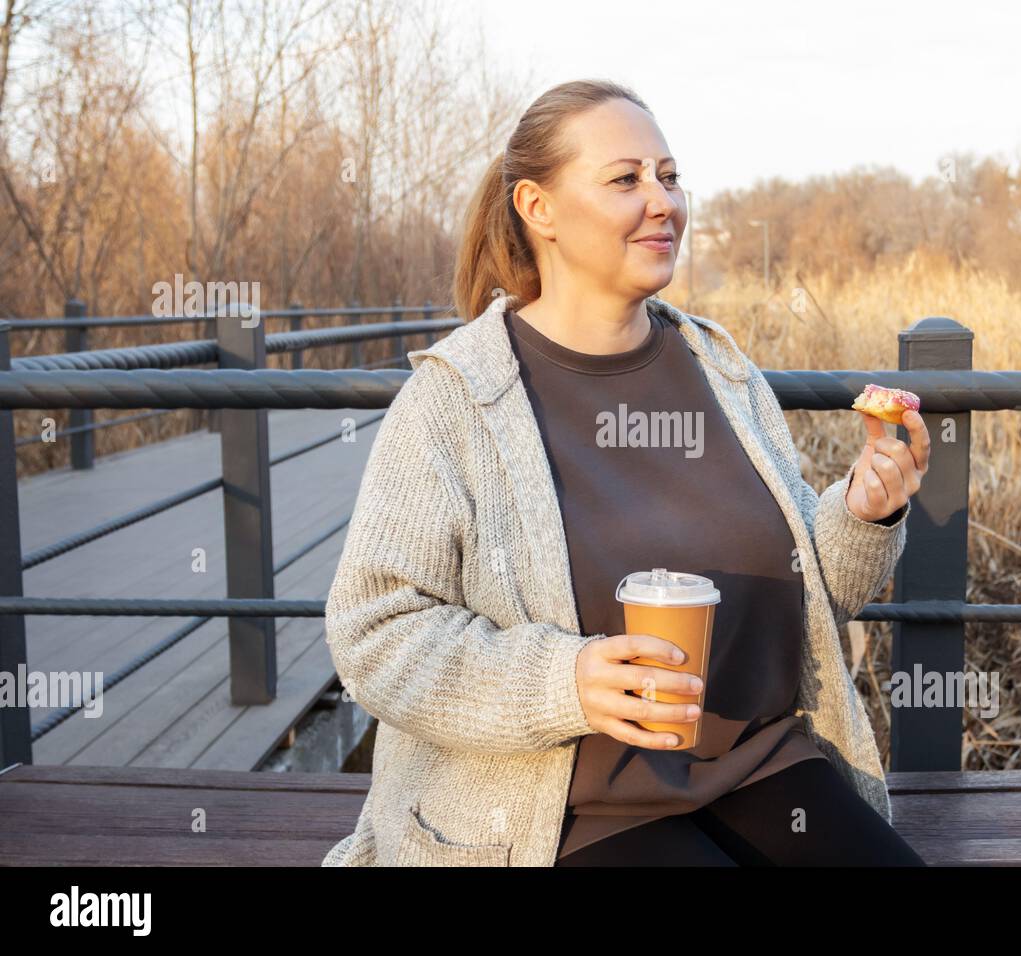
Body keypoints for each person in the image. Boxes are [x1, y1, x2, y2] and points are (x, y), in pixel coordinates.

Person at [321, 79, 930, 867]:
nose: (662, 202)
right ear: (537, 208)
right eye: (625, 179)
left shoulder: (721, 368)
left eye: (669, 176)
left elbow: (812, 596)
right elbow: (374, 632)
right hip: (563, 810)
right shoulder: (456, 399)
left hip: (759, 766)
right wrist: (564, 681)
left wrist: (863, 512)